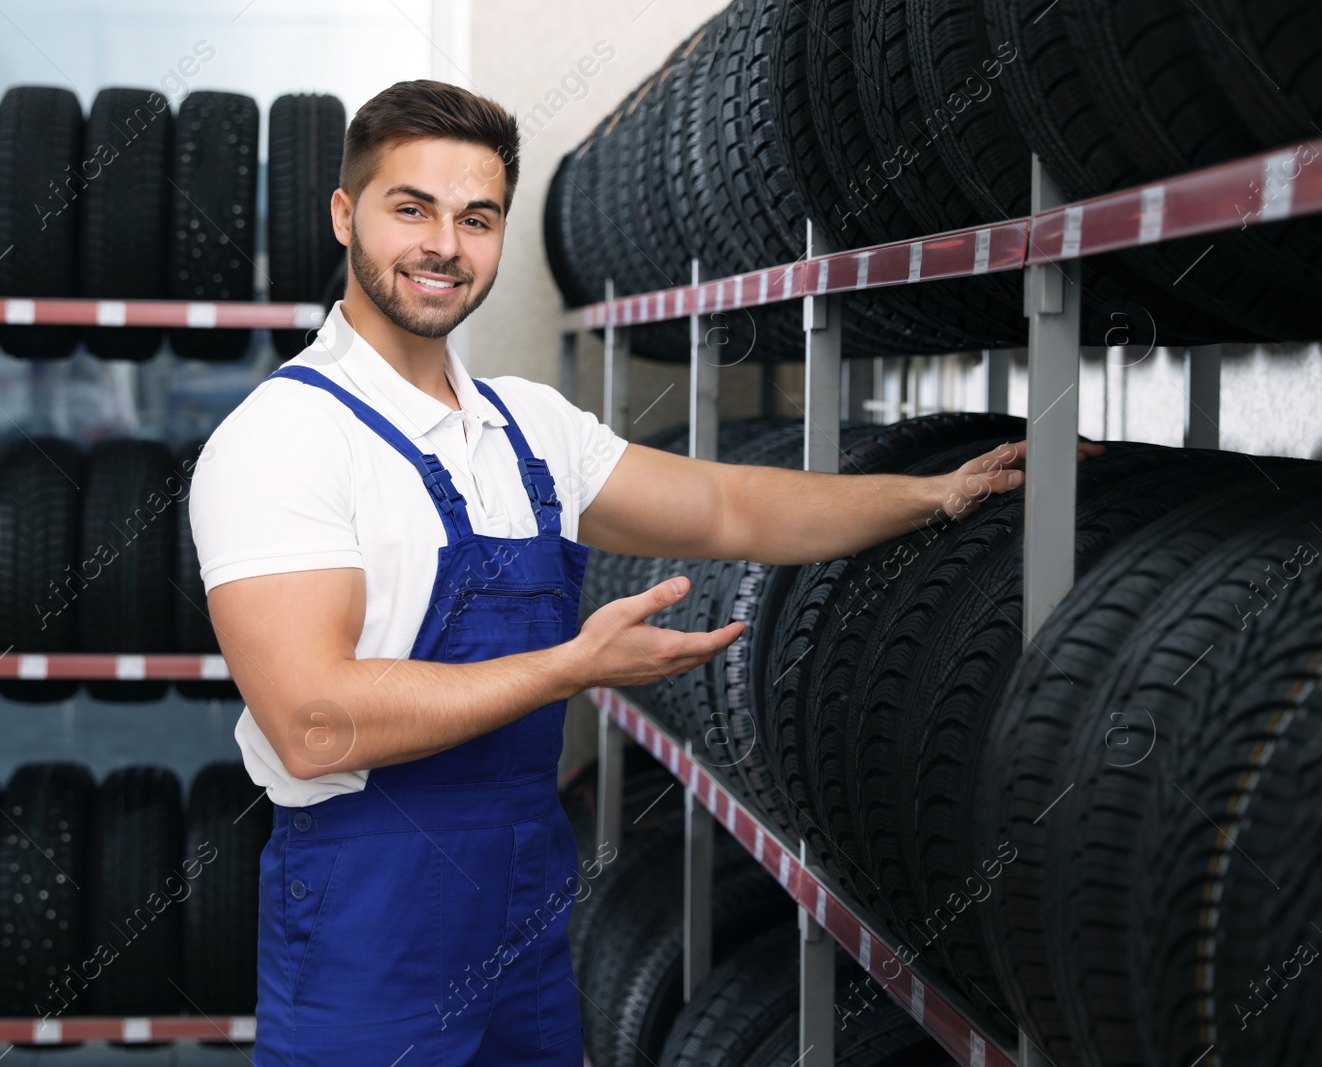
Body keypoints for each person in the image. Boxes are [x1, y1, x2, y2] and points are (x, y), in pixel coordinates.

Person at [188, 77, 1100, 1067]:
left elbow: (729, 505)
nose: (445, 244)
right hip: (368, 922)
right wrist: (570, 666)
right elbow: (315, 724)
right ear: (344, 214)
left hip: (524, 910)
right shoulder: (284, 439)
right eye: (410, 208)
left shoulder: (526, 428)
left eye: (476, 216)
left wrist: (929, 496)